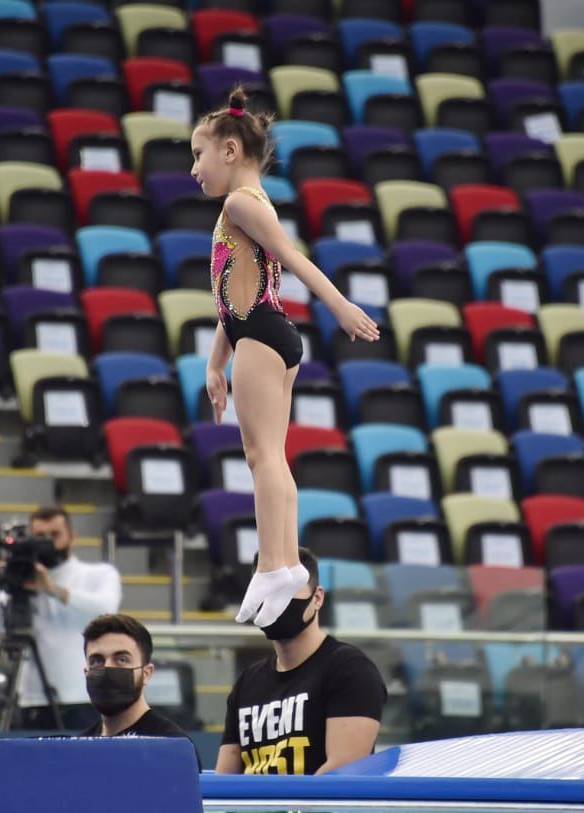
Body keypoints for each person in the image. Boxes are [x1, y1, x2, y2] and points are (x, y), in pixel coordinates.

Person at [192, 87, 381, 629]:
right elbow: (236, 290)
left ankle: (276, 564)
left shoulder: (239, 203)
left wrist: (341, 306)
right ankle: (284, 564)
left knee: (262, 458)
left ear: (230, 151)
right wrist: (215, 361)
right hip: (264, 330)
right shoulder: (253, 205)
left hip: (263, 334)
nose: (193, 169)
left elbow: (292, 258)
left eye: (198, 155)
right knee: (272, 455)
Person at [217, 548, 386, 775]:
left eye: (288, 590)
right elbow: (226, 780)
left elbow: (342, 775)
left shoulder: (351, 670)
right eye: (269, 590)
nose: (278, 600)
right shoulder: (247, 682)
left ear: (317, 598)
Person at [0, 505, 122, 730]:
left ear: (72, 537)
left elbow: (105, 609)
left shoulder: (98, 574)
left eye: (55, 535)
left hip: (82, 697)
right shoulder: (20, 579)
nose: (48, 542)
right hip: (32, 699)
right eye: (40, 536)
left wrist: (52, 588)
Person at [77, 613, 202, 768]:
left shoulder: (171, 746)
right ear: (86, 671)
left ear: (146, 673)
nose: (107, 667)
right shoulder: (79, 748)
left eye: (121, 660)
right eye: (97, 660)